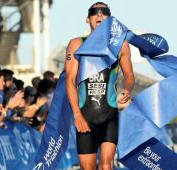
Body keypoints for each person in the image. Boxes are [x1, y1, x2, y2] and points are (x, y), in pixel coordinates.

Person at [65, 2, 135, 170]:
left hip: (109, 115)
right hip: (84, 117)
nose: (99, 15)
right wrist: (77, 115)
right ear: (87, 19)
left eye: (104, 12)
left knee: (106, 166)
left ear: (110, 20)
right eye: (94, 12)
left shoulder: (121, 46)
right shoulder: (76, 44)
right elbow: (69, 81)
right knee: (87, 168)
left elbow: (130, 75)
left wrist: (127, 88)